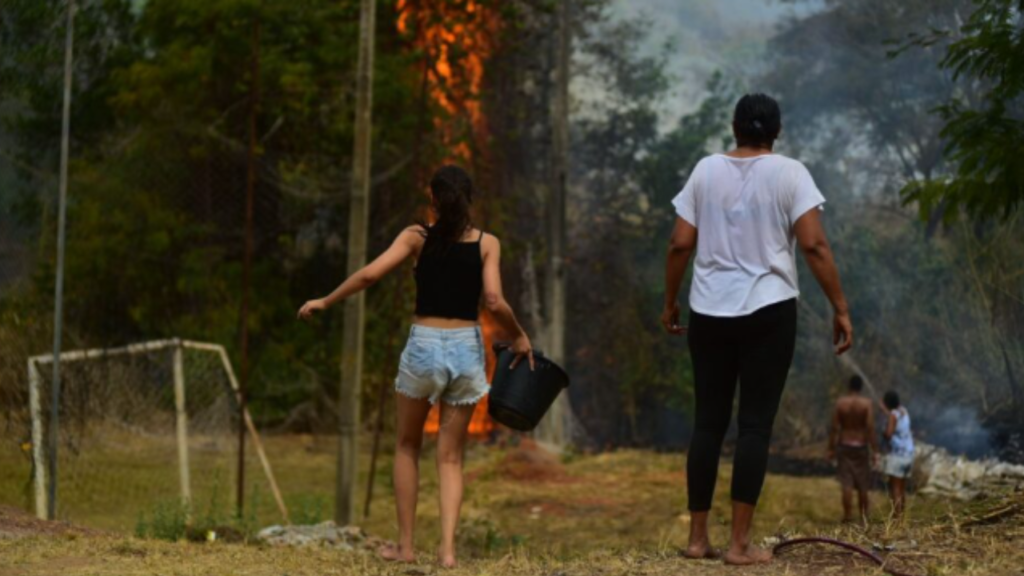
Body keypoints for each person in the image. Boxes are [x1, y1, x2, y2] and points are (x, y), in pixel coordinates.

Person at [297, 165, 534, 568]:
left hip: (424, 345)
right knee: (450, 458)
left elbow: (371, 275)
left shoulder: (415, 237)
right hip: (465, 347)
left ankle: (405, 548)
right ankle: (446, 552)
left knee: (407, 446)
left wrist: (325, 300)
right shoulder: (487, 243)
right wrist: (520, 335)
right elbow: (493, 301)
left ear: (434, 201)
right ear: (469, 200)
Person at [662, 93, 853, 566]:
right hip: (769, 311)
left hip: (708, 311)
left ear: (733, 127)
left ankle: (697, 539)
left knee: (708, 422)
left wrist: (669, 300)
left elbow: (680, 243)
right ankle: (740, 546)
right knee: (754, 425)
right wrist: (840, 307)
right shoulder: (790, 173)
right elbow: (814, 246)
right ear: (777, 131)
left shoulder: (705, 170)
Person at [828, 375, 879, 524]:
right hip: (861, 446)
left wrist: (831, 448)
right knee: (863, 484)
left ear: (849, 386)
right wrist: (875, 449)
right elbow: (870, 428)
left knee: (847, 483)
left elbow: (835, 428)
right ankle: (864, 517)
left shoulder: (840, 403)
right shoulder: (866, 404)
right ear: (861, 387)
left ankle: (848, 516)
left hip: (844, 445)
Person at [879, 390, 914, 518]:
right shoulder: (903, 411)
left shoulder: (893, 415)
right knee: (902, 488)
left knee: (895, 488)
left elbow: (889, 433)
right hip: (908, 455)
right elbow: (896, 419)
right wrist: (885, 411)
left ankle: (897, 519)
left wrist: (883, 432)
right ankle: (902, 516)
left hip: (897, 456)